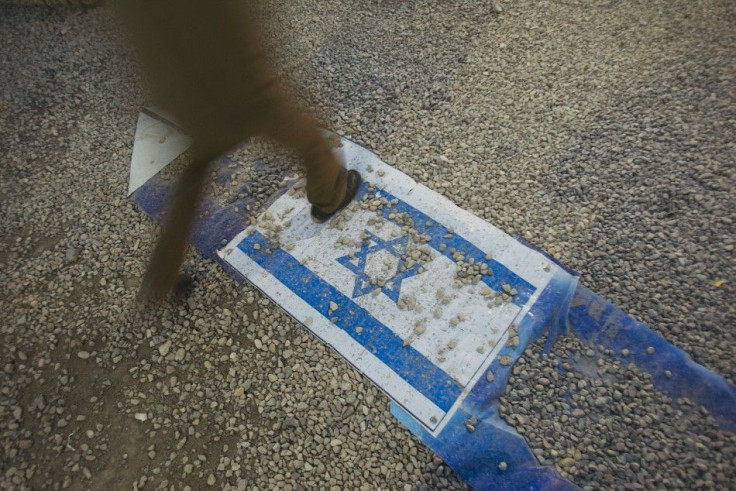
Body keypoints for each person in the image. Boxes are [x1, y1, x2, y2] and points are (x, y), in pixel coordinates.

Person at [118, 0, 361, 301]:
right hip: (230, 82)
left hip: (178, 84)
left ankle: (161, 277)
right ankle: (330, 195)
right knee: (304, 135)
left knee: (198, 165)